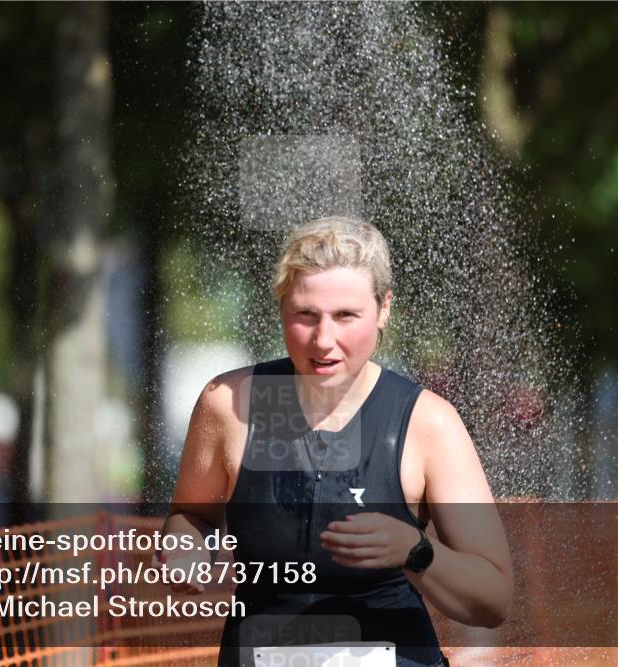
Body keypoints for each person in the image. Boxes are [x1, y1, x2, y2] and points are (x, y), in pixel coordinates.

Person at [160, 217, 513, 666]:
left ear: (384, 308)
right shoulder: (227, 404)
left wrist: (415, 550)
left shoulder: (430, 423)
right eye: (305, 315)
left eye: (346, 316)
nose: (323, 340)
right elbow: (191, 515)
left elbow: (494, 600)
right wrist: (185, 548)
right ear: (282, 308)